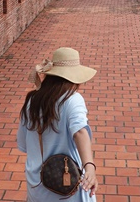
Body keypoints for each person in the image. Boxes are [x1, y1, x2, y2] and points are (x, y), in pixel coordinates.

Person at [18, 47, 99, 201]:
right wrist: (89, 166)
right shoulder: (72, 99)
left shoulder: (31, 101)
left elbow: (24, 144)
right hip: (67, 189)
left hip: (37, 187)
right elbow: (80, 131)